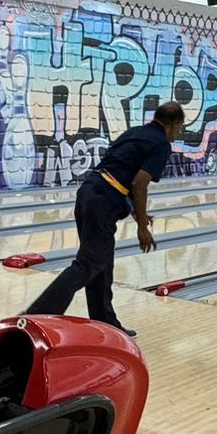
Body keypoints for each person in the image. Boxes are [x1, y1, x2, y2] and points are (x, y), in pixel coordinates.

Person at [24, 102, 185, 333]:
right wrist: (142, 226)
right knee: (89, 264)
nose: (178, 133)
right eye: (179, 128)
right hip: (103, 201)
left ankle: (105, 322)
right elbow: (139, 183)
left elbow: (118, 170)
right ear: (172, 125)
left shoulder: (136, 132)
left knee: (101, 263)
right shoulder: (160, 144)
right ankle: (36, 316)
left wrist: (137, 211)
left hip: (90, 191)